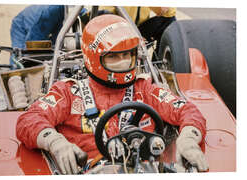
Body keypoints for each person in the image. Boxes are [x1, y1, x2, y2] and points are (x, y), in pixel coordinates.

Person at [16, 14, 208, 174]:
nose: (123, 62)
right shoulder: (68, 92)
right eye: (114, 57)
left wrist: (188, 139)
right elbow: (28, 120)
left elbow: (188, 111)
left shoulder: (146, 89)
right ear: (93, 58)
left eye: (127, 55)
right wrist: (55, 142)